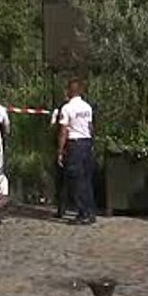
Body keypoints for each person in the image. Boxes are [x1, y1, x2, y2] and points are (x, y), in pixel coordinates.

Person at [57, 78, 97, 225]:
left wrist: (60, 151)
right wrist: (92, 143)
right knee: (86, 179)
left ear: (70, 91)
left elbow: (63, 131)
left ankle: (83, 212)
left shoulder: (67, 108)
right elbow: (90, 126)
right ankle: (90, 211)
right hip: (86, 142)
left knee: (76, 180)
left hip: (75, 144)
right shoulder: (87, 107)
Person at [50, 100, 68, 219]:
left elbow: (53, 127)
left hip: (62, 146)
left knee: (61, 180)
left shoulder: (58, 111)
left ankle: (62, 208)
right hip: (75, 145)